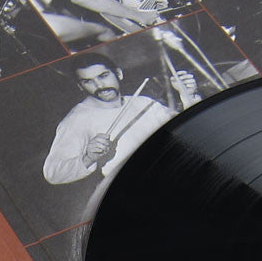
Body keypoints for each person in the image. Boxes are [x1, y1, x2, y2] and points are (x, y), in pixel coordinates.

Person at [43, 51, 200, 185]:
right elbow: (53, 173)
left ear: (118, 73)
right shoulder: (77, 119)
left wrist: (188, 95)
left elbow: (187, 130)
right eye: (88, 81)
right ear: (80, 86)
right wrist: (88, 158)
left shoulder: (143, 102)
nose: (99, 86)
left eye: (103, 76)